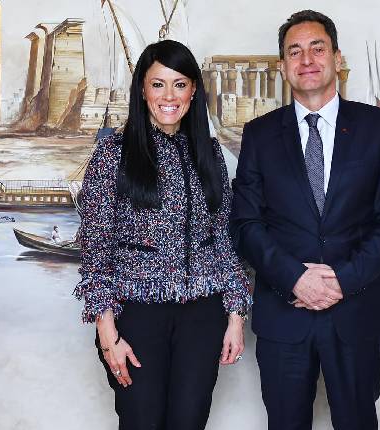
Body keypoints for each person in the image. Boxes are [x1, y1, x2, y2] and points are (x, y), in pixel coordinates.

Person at [230, 10, 380, 430]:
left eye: (318, 48)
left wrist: (342, 280)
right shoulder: (259, 134)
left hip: (355, 312)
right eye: (295, 52)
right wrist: (295, 278)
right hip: (284, 315)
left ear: (336, 57)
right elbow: (245, 224)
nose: (307, 59)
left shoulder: (378, 128)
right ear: (283, 66)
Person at [74, 39, 251, 429]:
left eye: (179, 84)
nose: (169, 96)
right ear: (143, 89)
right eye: (158, 84)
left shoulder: (209, 153)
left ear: (193, 91)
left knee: (189, 421)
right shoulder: (112, 154)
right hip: (137, 315)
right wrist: (107, 331)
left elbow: (222, 240)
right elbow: (96, 248)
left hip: (202, 315)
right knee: (142, 422)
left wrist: (236, 315)